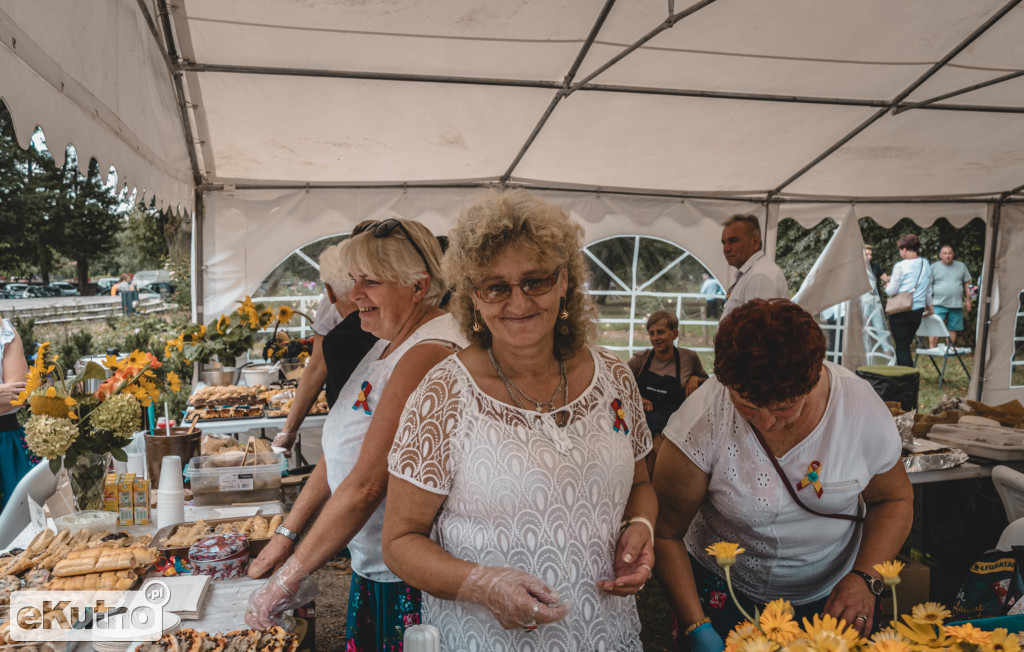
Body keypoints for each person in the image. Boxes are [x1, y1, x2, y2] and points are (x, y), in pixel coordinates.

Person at [383, 190, 657, 651]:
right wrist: (482, 584)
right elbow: (399, 541)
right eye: (496, 286)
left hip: (606, 634)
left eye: (536, 280)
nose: (518, 301)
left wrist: (642, 529)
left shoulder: (615, 378)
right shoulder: (445, 392)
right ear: (474, 296)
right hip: (486, 639)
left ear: (565, 279)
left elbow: (641, 485)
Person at [246, 218, 467, 650]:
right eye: (353, 280)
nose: (355, 294)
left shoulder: (429, 350)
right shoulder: (387, 340)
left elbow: (368, 484)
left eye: (371, 282)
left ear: (418, 286)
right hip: (377, 561)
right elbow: (341, 449)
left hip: (412, 574)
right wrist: (287, 535)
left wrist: (291, 574)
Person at [653, 299, 913, 650]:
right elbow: (666, 532)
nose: (765, 422)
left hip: (835, 594)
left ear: (813, 379)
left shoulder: (858, 408)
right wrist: (695, 624)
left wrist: (866, 578)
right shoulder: (701, 421)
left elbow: (893, 499)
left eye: (783, 408)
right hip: (724, 591)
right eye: (746, 405)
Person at [272, 240, 378, 461]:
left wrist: (289, 431)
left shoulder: (339, 341)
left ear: (329, 291)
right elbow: (318, 366)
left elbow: (348, 412)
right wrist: (289, 429)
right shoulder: (391, 319)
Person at [627, 311, 707, 473]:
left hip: (675, 420)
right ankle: (666, 476)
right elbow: (617, 381)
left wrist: (695, 378)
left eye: (660, 332)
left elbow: (708, 385)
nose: (655, 338)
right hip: (643, 420)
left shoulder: (688, 358)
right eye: (652, 333)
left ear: (675, 333)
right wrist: (637, 397)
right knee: (655, 439)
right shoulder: (641, 359)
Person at [0, 316, 37, 508]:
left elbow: (17, 396)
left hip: (5, 448)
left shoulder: (4, 332)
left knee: (15, 528)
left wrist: (7, 397)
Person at [720, 214, 788, 319]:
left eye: (733, 241)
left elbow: (758, 330)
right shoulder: (753, 272)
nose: (726, 249)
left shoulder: (760, 275)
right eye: (724, 243)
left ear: (755, 242)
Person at [885, 234, 933, 367]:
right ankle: (902, 373)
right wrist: (930, 306)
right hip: (917, 311)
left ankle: (906, 378)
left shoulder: (901, 266)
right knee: (905, 345)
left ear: (904, 249)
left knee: (902, 347)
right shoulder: (925, 264)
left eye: (901, 249)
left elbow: (891, 291)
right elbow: (928, 288)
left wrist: (887, 286)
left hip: (900, 310)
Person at [928, 245, 972, 348]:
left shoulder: (961, 266)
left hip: (956, 304)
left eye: (949, 253)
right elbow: (928, 287)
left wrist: (969, 301)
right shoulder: (933, 267)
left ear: (953, 254)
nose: (947, 256)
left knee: (953, 328)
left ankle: (950, 349)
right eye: (945, 253)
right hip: (938, 303)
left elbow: (967, 284)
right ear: (940, 255)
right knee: (935, 327)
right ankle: (932, 350)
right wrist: (928, 303)